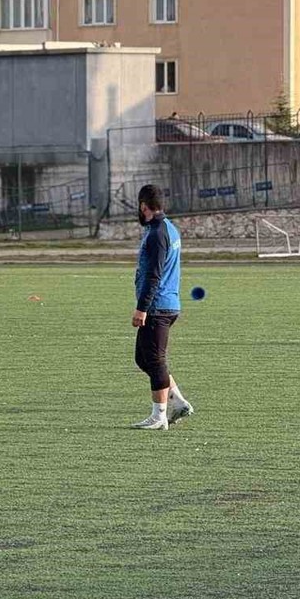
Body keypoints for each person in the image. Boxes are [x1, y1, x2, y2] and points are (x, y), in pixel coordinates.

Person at [131, 184, 194, 430]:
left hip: (158, 306)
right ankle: (177, 402)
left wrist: (142, 308)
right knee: (143, 358)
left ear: (143, 205)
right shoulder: (170, 228)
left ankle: (159, 416)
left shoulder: (158, 233)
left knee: (155, 360)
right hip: (167, 303)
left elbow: (154, 275)